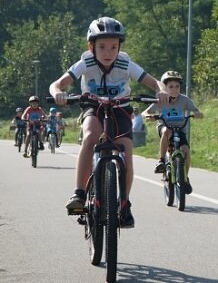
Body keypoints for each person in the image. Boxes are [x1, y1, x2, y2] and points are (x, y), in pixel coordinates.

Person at [50, 17, 168, 228]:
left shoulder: (126, 63)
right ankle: (79, 193)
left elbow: (154, 82)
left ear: (119, 47)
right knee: (90, 137)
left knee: (126, 152)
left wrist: (162, 91)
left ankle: (124, 203)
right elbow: (57, 84)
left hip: (120, 108)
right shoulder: (85, 63)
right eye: (102, 47)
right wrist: (58, 92)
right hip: (93, 106)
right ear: (91, 46)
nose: (108, 52)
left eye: (113, 47)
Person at [144, 71, 203, 194]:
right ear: (165, 88)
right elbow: (145, 112)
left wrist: (197, 113)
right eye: (170, 86)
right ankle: (161, 160)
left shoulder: (184, 100)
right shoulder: (160, 100)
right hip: (165, 127)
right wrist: (149, 116)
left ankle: (185, 178)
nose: (174, 89)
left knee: (186, 150)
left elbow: (197, 110)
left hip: (180, 128)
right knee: (167, 131)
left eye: (177, 86)